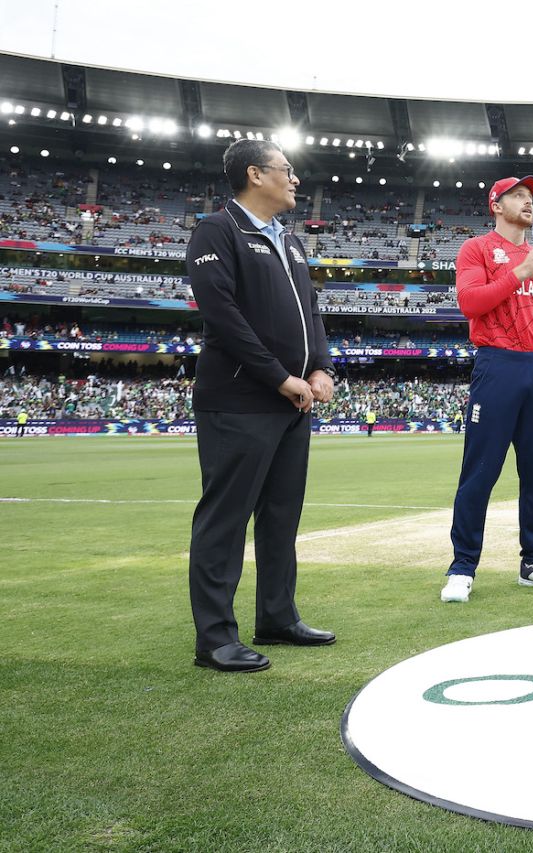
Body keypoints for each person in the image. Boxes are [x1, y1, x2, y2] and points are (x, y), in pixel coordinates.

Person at [185, 139, 337, 673]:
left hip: (293, 403)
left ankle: (277, 615)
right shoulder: (218, 230)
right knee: (225, 518)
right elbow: (222, 316)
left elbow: (312, 313)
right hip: (240, 401)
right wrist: (279, 378)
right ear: (255, 174)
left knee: (280, 517)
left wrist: (320, 367)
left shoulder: (290, 242)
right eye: (287, 170)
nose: (295, 179)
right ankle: (216, 638)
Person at [442, 175, 533, 604]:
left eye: (531, 197)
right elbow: (470, 303)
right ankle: (463, 567)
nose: (528, 202)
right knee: (480, 471)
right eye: (518, 196)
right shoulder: (477, 249)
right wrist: (519, 272)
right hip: (497, 363)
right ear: (496, 206)